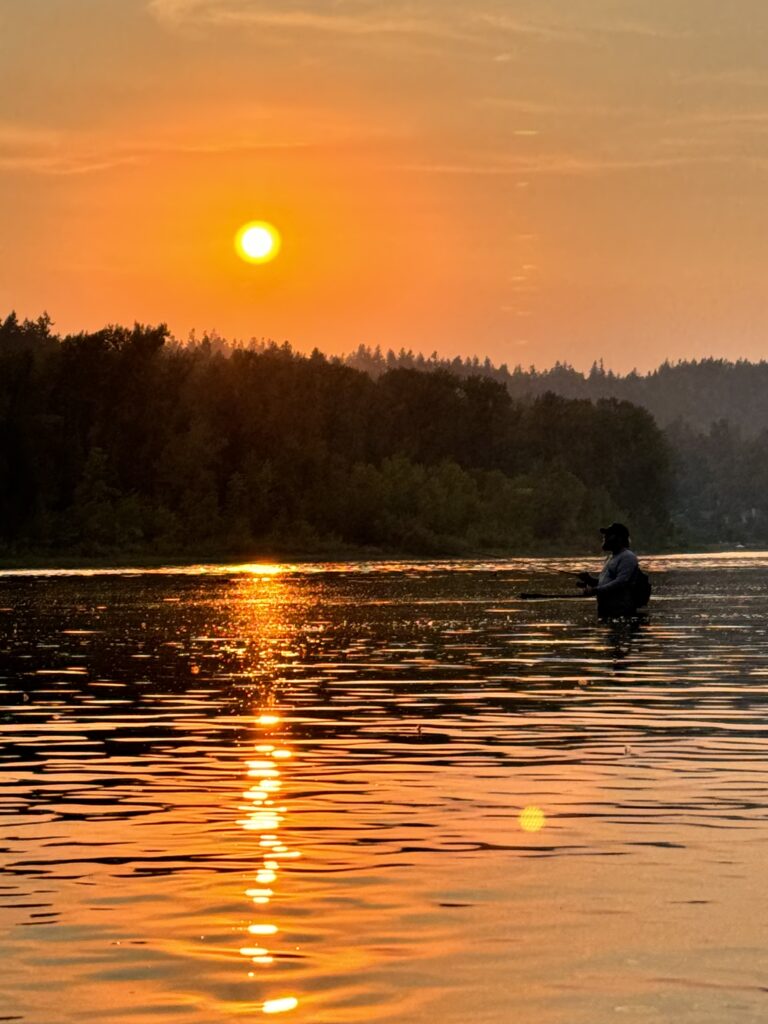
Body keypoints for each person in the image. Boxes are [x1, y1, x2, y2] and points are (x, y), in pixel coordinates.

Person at [577, 522, 645, 619]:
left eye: (608, 535)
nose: (604, 537)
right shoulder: (612, 557)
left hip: (621, 611)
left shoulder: (627, 557)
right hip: (608, 611)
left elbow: (621, 582)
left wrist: (595, 590)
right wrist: (589, 580)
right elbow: (605, 583)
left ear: (619, 538)